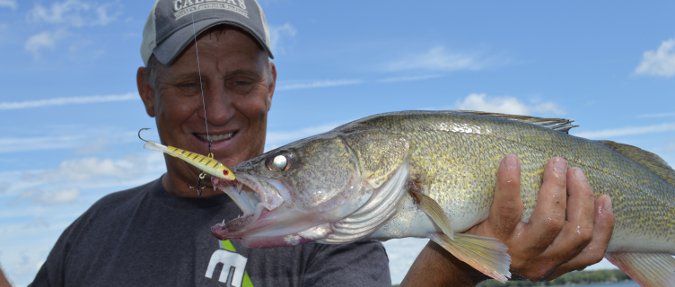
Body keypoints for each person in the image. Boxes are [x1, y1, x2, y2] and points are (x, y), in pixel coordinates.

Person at [28, 0, 614, 286]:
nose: (218, 110)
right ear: (146, 93)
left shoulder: (336, 233)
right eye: (188, 85)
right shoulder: (92, 229)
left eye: (241, 82)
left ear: (271, 85)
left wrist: (459, 264)